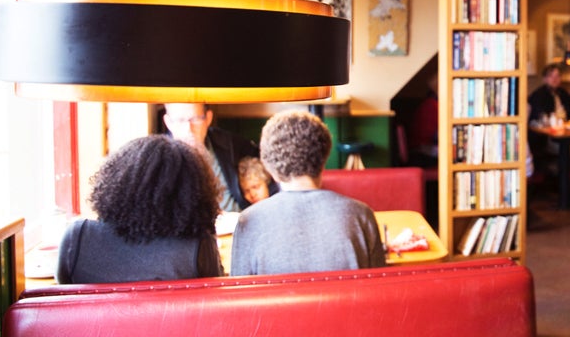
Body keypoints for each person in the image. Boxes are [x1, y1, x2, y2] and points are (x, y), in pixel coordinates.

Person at [230, 110, 386, 276]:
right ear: (323, 161)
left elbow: (238, 295)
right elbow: (379, 288)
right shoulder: (361, 215)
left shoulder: (248, 221)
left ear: (270, 169)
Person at [56, 135, 223, 284]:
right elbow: (215, 294)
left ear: (116, 182)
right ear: (193, 196)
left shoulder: (78, 238)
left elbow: (63, 290)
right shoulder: (197, 247)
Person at [163, 102, 276, 212]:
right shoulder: (160, 159)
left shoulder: (227, 143)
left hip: (240, 222)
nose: (188, 129)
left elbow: (271, 162)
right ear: (168, 123)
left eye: (196, 119)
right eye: (180, 120)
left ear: (208, 118)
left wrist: (266, 194)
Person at [527, 63, 570, 174]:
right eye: (551, 76)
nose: (554, 79)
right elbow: (539, 119)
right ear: (545, 79)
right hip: (547, 140)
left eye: (557, 76)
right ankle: (567, 182)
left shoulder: (563, 93)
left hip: (565, 134)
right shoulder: (539, 95)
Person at [407, 72, 438, 168]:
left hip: (420, 148)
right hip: (422, 150)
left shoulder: (429, 103)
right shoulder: (432, 105)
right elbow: (433, 135)